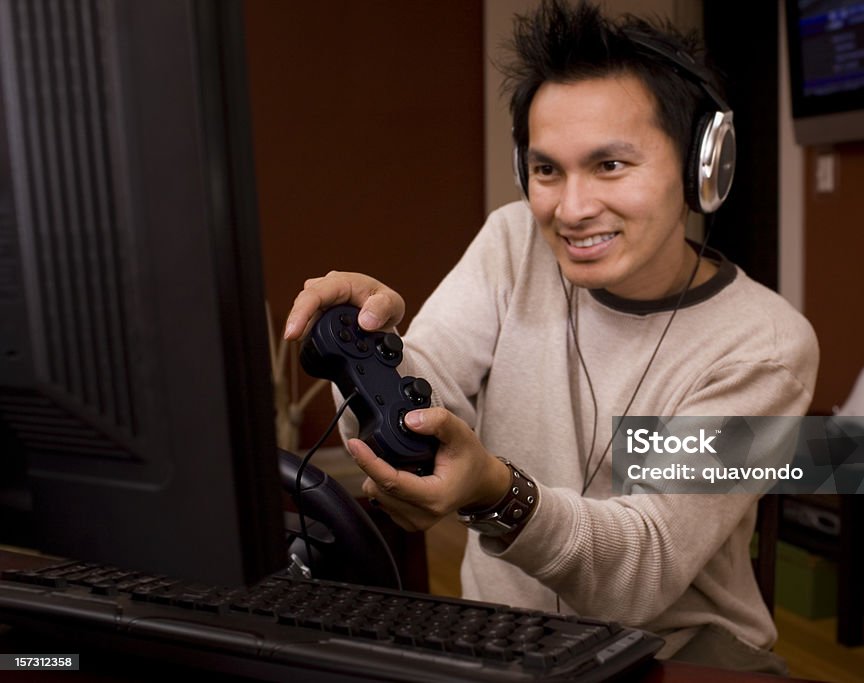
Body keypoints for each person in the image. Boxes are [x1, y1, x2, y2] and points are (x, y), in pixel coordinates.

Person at [284, 0, 818, 673]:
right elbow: (433, 392)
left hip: (678, 655)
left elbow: (642, 569)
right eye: (547, 170)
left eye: (610, 166)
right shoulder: (513, 243)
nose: (570, 208)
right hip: (505, 641)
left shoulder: (764, 343)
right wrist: (369, 350)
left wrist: (495, 492)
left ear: (700, 170)